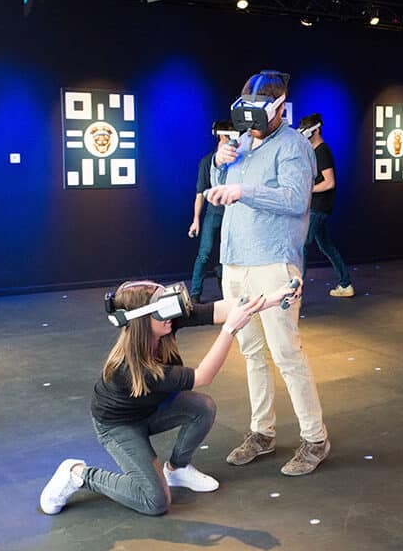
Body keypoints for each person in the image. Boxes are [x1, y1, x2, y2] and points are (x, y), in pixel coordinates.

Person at [39, 279, 300, 515]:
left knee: (202, 407)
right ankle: (78, 474)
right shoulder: (129, 368)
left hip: (150, 410)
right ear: (142, 319)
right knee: (154, 502)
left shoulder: (164, 323)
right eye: (162, 308)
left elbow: (222, 309)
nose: (171, 313)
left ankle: (177, 469)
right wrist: (230, 329)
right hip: (119, 426)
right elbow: (203, 377)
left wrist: (274, 298)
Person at [206, 71, 330, 476]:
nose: (251, 121)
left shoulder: (294, 145)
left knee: (287, 354)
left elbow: (295, 200)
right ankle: (262, 432)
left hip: (274, 263)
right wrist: (219, 165)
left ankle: (315, 439)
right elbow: (221, 183)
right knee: (252, 354)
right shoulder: (241, 142)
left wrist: (244, 191)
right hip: (235, 262)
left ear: (279, 108)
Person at [297, 113, 355, 297]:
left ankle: (296, 295)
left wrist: (308, 190)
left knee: (302, 245)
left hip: (319, 207)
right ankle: (345, 284)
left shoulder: (322, 151)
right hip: (316, 206)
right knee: (326, 246)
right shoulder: (315, 151)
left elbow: (330, 182)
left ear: (315, 131)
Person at [188, 120, 234, 303]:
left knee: (228, 254)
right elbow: (200, 193)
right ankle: (195, 294)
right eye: (229, 134)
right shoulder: (208, 161)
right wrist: (196, 219)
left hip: (233, 214)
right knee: (204, 253)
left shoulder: (238, 159)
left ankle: (227, 293)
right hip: (214, 213)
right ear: (221, 135)